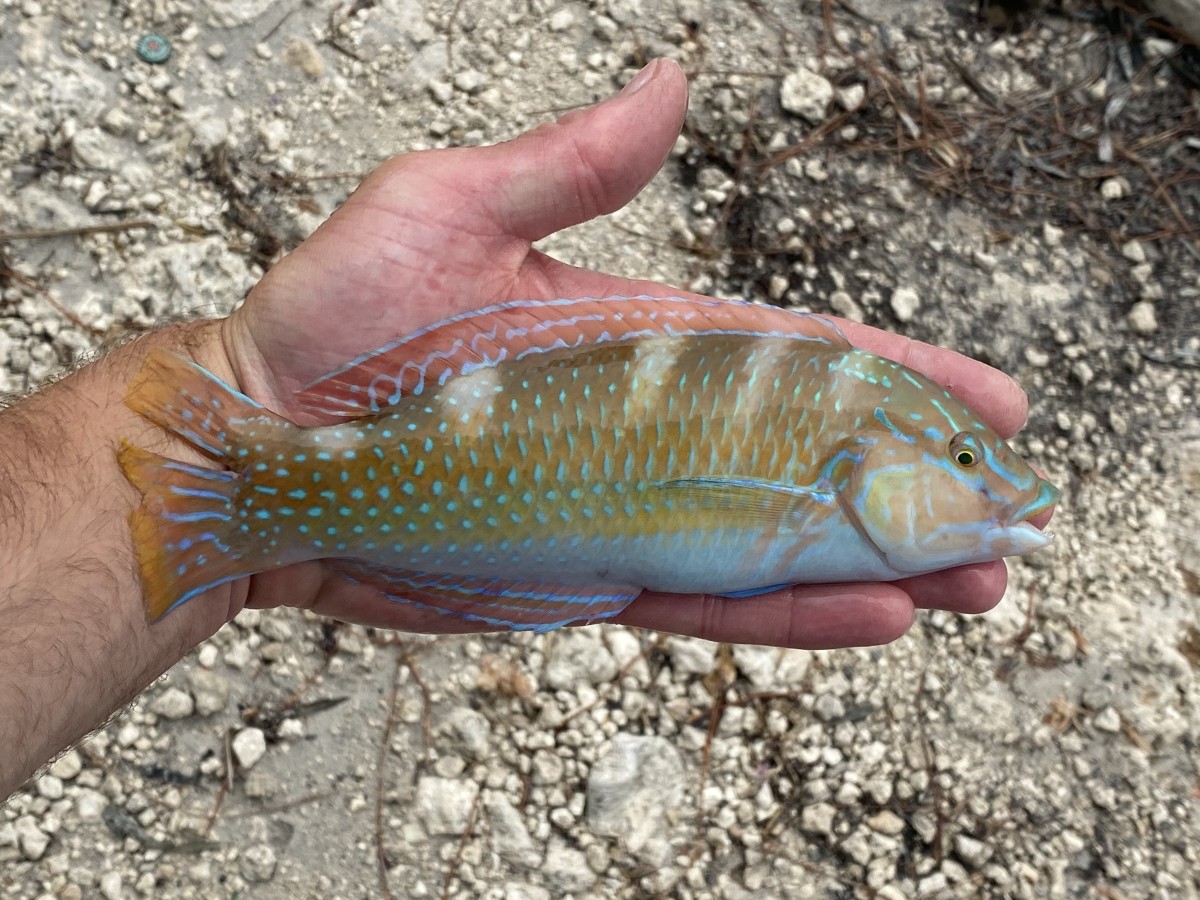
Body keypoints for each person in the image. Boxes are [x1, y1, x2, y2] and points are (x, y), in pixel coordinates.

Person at [0, 59, 1043, 798]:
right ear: (870, 460)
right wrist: (247, 389)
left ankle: (241, 491)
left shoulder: (849, 443)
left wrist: (222, 401)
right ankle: (249, 490)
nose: (993, 485)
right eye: (961, 457)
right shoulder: (837, 448)